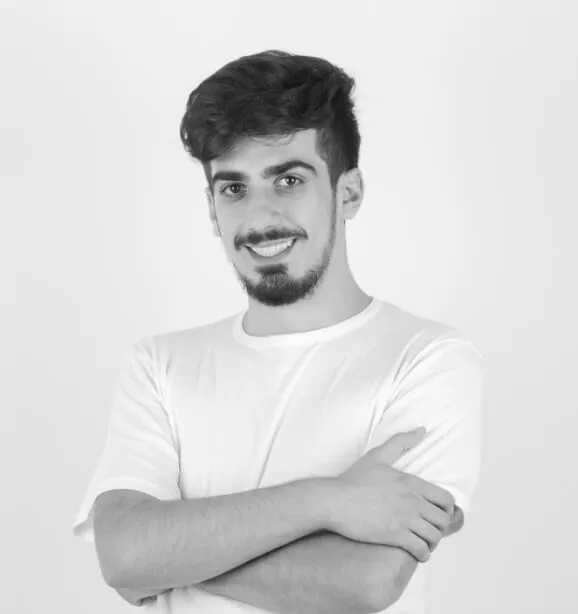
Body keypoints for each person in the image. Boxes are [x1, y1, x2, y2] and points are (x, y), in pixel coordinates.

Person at [72, 49, 483, 613]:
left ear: (349, 192)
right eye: (234, 188)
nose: (259, 217)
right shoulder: (159, 365)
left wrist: (171, 557)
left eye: (288, 179)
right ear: (213, 211)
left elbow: (361, 583)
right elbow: (122, 556)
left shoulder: (428, 359)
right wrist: (327, 500)